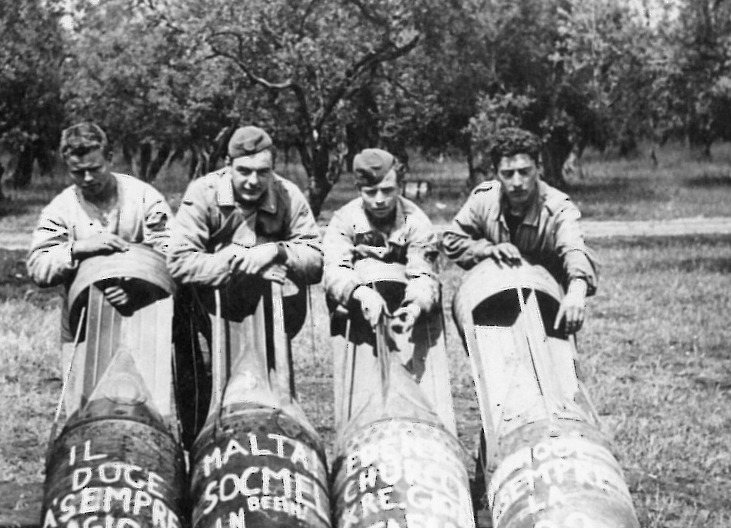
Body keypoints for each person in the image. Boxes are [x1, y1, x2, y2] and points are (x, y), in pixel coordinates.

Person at [165, 125, 323, 440]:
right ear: (228, 165)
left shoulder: (288, 195)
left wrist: (276, 251)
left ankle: (273, 444)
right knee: (201, 385)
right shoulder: (203, 193)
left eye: (262, 172)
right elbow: (179, 261)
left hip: (267, 312)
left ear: (273, 169)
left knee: (271, 386)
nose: (253, 181)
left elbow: (316, 259)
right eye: (244, 171)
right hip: (205, 307)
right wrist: (242, 261)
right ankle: (198, 450)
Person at [26, 122, 172, 418]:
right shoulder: (61, 209)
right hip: (85, 322)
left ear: (110, 158)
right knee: (84, 412)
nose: (88, 178)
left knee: (150, 410)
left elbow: (174, 251)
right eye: (78, 172)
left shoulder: (144, 197)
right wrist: (79, 249)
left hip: (146, 316)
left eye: (95, 168)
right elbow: (39, 267)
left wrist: (136, 281)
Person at [441, 128, 597, 334]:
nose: (517, 182)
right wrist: (487, 250)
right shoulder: (483, 200)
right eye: (507, 174)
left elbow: (574, 249)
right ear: (496, 172)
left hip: (546, 301)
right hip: (494, 298)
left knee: (557, 363)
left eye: (524, 171)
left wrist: (576, 291)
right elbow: (453, 240)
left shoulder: (557, 207)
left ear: (538, 168)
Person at [323, 148, 439, 334]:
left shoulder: (416, 221)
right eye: (371, 192)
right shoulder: (344, 220)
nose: (379, 200)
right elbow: (334, 269)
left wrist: (414, 308)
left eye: (387, 191)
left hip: (406, 307)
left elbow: (423, 273)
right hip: (358, 306)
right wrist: (361, 293)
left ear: (400, 187)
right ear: (359, 189)